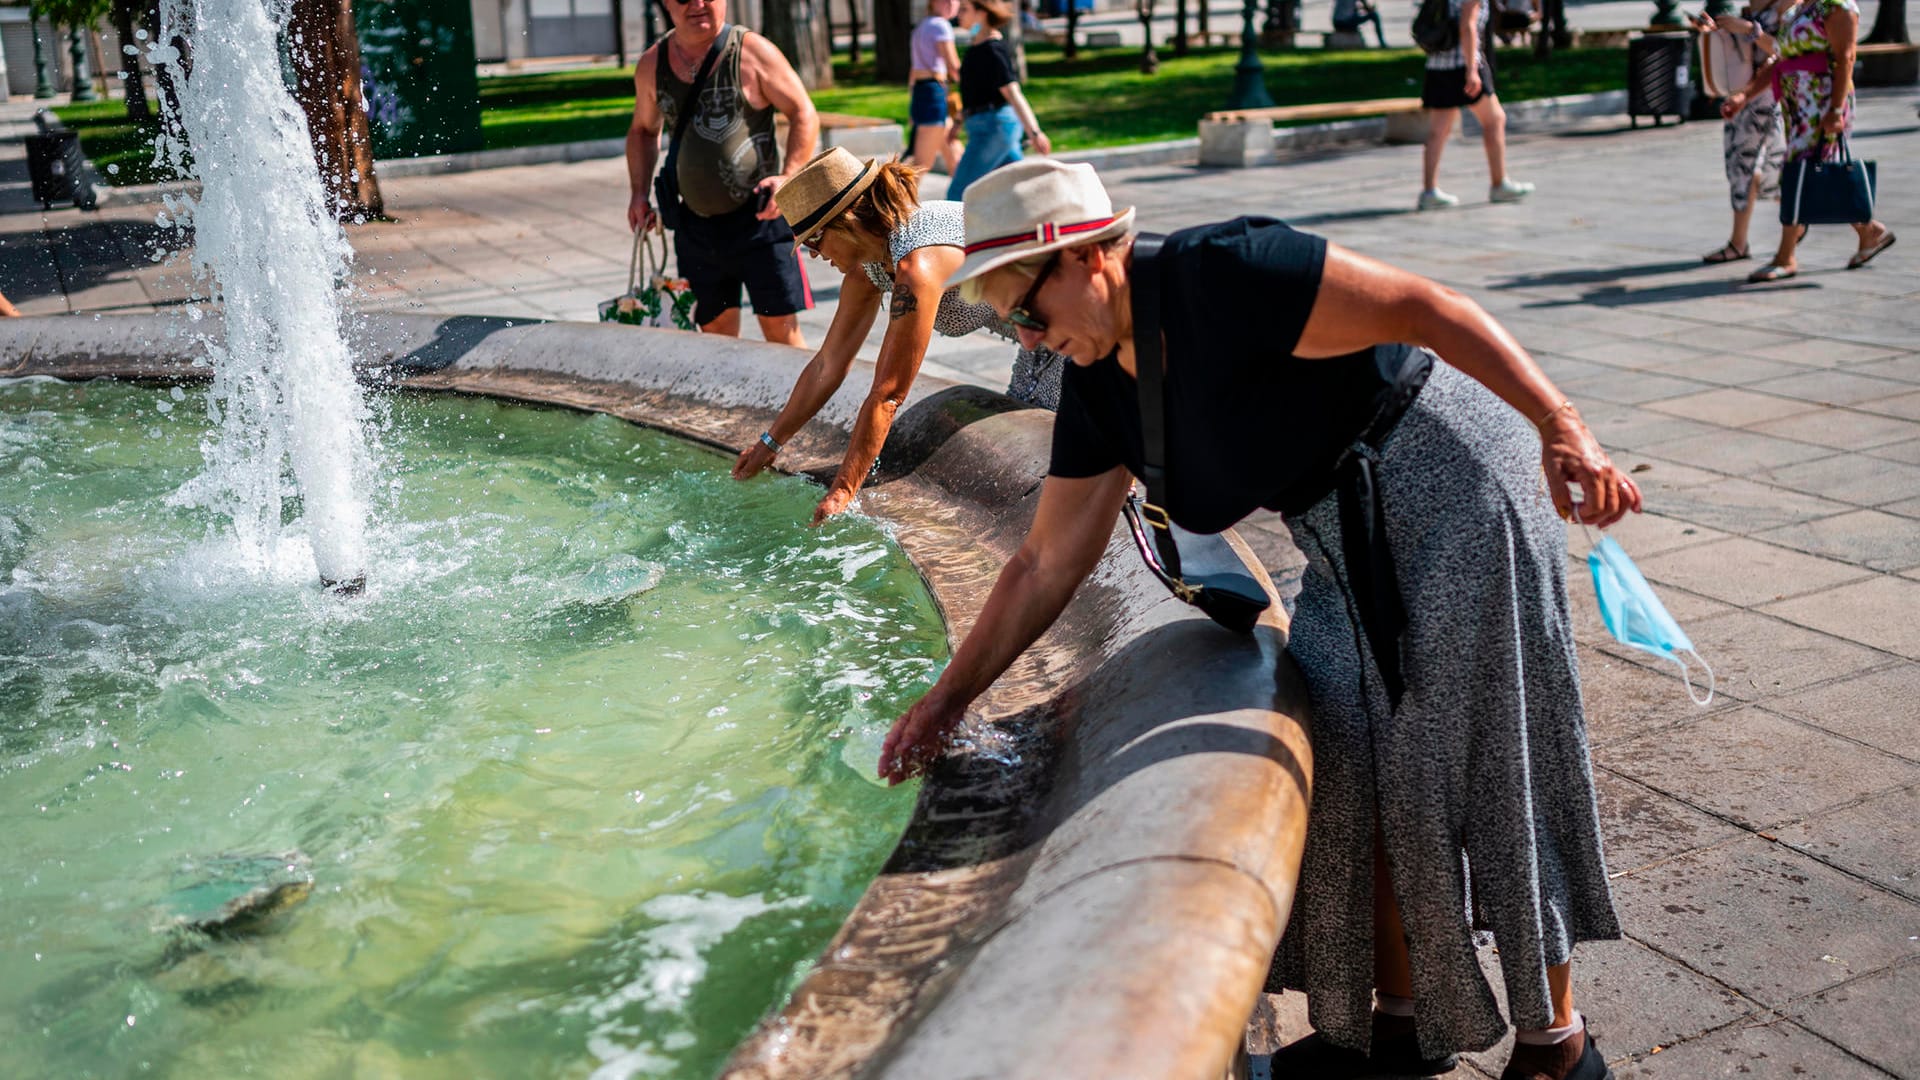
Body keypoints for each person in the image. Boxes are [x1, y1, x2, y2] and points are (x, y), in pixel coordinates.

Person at [880, 159, 1641, 1080]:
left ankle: (1558, 1044)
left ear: (1082, 258)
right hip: (1339, 522)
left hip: (1450, 473)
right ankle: (1395, 1027)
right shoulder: (1094, 386)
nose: (1021, 337)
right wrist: (946, 698)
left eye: (1024, 312)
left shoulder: (1224, 273)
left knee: (1482, 747)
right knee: (1347, 756)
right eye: (1008, 323)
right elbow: (1044, 563)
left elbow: (1423, 308)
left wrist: (1564, 424)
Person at [735, 148, 1064, 523]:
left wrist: (842, 492)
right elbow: (828, 363)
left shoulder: (917, 264)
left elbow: (889, 393)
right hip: (1036, 343)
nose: (811, 255)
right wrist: (770, 442)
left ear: (846, 222)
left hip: (1071, 326)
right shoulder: (871, 266)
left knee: (1069, 461)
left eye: (814, 240)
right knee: (1035, 452)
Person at [626, 0, 817, 345]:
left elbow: (803, 111)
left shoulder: (753, 52)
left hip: (761, 220)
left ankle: (801, 401)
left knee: (782, 334)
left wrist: (789, 176)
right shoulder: (652, 64)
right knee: (716, 338)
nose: (697, 5)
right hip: (695, 227)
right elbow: (642, 130)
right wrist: (639, 194)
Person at [1722, 0, 1895, 282]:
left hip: (1823, 104)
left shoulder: (1838, 6)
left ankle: (1785, 256)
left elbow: (1846, 57)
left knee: (1795, 172)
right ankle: (1869, 231)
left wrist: (1836, 110)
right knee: (1814, 173)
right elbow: (1780, 59)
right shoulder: (1798, 10)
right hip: (1799, 106)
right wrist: (1744, 96)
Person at [1690, 0, 1789, 264]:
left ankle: (1792, 230)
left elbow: (1784, 49)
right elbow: (1743, 52)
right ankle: (1741, 241)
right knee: (1743, 166)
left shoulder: (1786, 4)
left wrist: (1748, 29)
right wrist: (1715, 31)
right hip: (1740, 95)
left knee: (1771, 168)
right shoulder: (1751, 6)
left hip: (1765, 96)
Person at [1418, 0, 1533, 210]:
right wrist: (1472, 69)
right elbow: (1467, 24)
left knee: (1438, 130)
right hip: (1464, 64)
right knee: (1495, 119)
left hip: (1438, 64)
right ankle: (1499, 184)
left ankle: (1429, 191)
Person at [945, 0, 1051, 200]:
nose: (959, 14)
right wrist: (958, 122)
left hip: (993, 129)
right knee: (1018, 195)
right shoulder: (976, 47)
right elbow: (975, 92)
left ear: (982, 13)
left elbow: (1012, 93)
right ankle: (1050, 220)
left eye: (965, 10)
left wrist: (1035, 132)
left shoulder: (993, 50)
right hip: (988, 127)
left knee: (958, 194)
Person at [908, 0, 965, 174]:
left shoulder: (921, 27)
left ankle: (964, 196)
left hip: (922, 92)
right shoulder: (941, 26)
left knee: (955, 154)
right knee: (921, 165)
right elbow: (953, 65)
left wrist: (912, 104)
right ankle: (896, 200)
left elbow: (913, 72)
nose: (955, 4)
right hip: (934, 94)